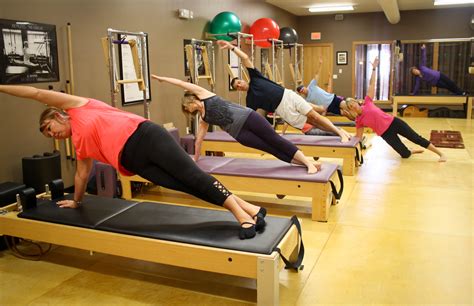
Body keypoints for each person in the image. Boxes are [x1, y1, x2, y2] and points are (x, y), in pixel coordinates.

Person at [0, 85, 267, 239]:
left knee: (193, 175)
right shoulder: (79, 143)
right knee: (186, 185)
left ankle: (241, 217)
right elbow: (81, 175)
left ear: (58, 115)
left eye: (50, 127)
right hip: (135, 162)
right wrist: (77, 201)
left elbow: (36, 94)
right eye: (48, 135)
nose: (52, 135)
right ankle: (251, 209)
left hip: (146, 136)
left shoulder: (78, 106)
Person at [152, 75, 321, 174]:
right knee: (270, 148)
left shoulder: (204, 94)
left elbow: (182, 84)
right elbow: (199, 140)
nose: (188, 110)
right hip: (240, 134)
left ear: (190, 100)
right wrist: (195, 159)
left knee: (275, 140)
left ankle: (307, 163)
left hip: (249, 118)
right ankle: (306, 163)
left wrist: (162, 79)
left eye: (186, 107)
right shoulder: (204, 118)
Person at [216, 40, 351, 143]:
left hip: (288, 95)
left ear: (242, 80)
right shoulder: (250, 100)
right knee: (313, 123)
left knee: (315, 116)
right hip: (283, 110)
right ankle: (338, 132)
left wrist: (231, 47)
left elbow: (245, 58)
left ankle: (340, 133)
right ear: (238, 90)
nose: (239, 85)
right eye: (236, 87)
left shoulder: (255, 77)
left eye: (239, 82)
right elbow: (249, 117)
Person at [340, 58, 447, 162]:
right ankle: (410, 151)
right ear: (351, 110)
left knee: (416, 138)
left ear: (356, 101)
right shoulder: (359, 120)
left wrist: (374, 69)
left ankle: (440, 153)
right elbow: (358, 136)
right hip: (385, 134)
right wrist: (346, 138)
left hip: (394, 122)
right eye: (350, 106)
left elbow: (371, 84)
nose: (353, 106)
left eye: (353, 103)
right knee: (404, 154)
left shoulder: (367, 102)